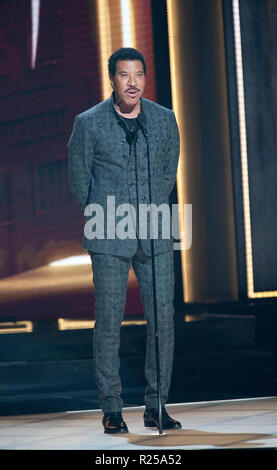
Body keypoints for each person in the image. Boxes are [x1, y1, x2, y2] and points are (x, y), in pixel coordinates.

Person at [68, 47, 181, 434]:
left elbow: (169, 171)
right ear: (112, 79)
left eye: (138, 75)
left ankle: (157, 405)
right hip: (108, 232)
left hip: (155, 230)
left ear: (145, 78)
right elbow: (79, 180)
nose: (132, 82)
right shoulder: (89, 123)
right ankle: (112, 408)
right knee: (109, 322)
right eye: (124, 75)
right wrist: (106, 214)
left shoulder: (164, 120)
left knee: (162, 319)